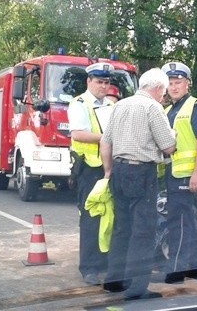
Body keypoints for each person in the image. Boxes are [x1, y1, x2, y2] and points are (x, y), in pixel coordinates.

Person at [100, 68, 176, 300]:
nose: (163, 97)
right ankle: (136, 289)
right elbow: (168, 146)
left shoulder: (120, 106)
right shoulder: (153, 108)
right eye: (163, 93)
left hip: (119, 170)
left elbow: (105, 142)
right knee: (143, 231)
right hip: (141, 171)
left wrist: (108, 172)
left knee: (122, 227)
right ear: (158, 89)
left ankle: (114, 280)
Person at [161, 61, 197, 284]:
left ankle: (176, 269)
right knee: (189, 222)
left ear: (187, 84)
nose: (174, 87)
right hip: (174, 173)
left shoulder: (195, 107)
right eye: (170, 83)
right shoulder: (167, 110)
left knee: (178, 221)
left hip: (188, 174)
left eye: (178, 82)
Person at [67, 62, 115, 286]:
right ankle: (89, 267)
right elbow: (78, 134)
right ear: (89, 81)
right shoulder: (79, 103)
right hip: (88, 168)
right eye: (99, 82)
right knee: (90, 218)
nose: (103, 86)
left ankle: (104, 262)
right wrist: (107, 138)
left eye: (106, 82)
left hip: (109, 167)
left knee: (109, 216)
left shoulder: (111, 105)